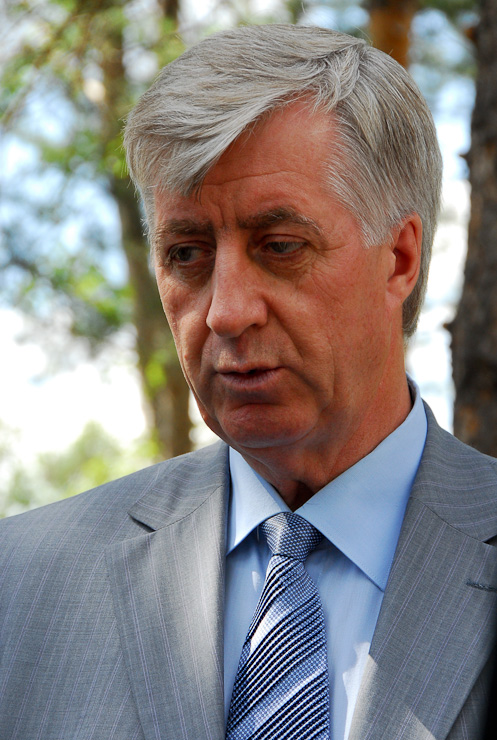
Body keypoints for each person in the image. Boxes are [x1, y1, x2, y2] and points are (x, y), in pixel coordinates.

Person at [1, 24, 496, 740]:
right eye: (187, 254)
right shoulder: (24, 583)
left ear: (399, 258)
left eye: (280, 246)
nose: (226, 311)